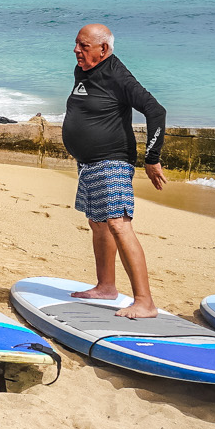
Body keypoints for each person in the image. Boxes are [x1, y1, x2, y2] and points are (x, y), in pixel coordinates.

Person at [60, 23, 167, 319]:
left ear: (103, 49)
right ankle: (106, 286)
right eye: (76, 44)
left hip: (112, 162)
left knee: (118, 223)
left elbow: (156, 111)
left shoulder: (118, 75)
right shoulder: (83, 70)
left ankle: (145, 301)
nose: (76, 50)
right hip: (88, 164)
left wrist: (152, 157)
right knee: (98, 223)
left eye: (83, 46)